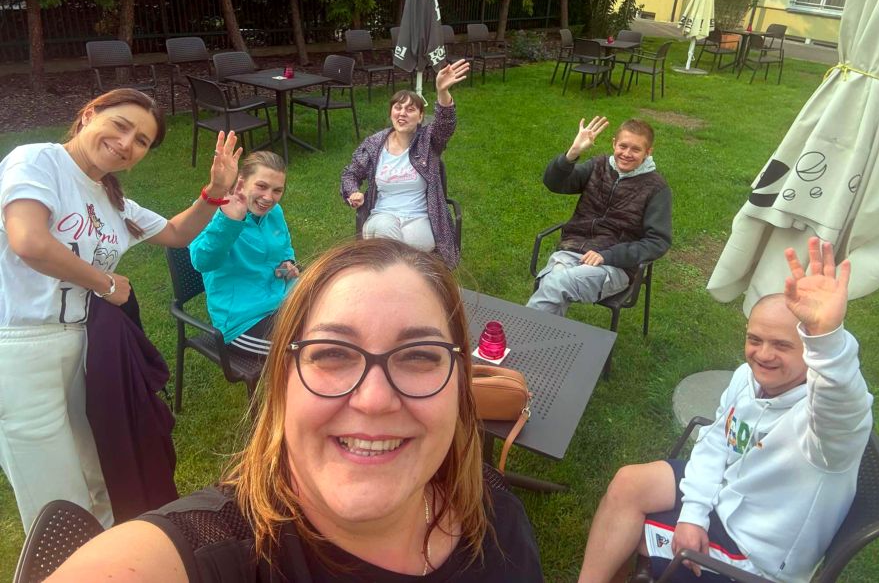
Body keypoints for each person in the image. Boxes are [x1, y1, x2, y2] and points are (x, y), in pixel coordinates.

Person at [49, 239, 545, 582]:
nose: (374, 400)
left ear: (459, 382)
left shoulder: (495, 511)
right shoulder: (205, 556)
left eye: (418, 356)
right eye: (332, 353)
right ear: (283, 383)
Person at [0, 88, 242, 531]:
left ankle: (111, 560)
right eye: (121, 125)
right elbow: (29, 241)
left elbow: (176, 233)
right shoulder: (38, 161)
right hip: (20, 348)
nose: (126, 143)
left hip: (83, 347)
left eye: (141, 141)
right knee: (56, 502)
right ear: (90, 114)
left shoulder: (113, 201)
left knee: (103, 476)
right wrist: (106, 283)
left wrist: (217, 191)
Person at [577, 238, 873, 583]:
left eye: (782, 345)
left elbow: (842, 404)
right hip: (730, 494)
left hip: (755, 554)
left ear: (811, 352)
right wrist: (693, 514)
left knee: (628, 532)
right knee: (629, 483)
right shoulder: (746, 377)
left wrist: (828, 339)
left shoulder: (826, 428)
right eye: (755, 339)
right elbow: (718, 438)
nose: (763, 355)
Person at [526, 116, 672, 316]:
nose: (626, 154)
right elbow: (554, 183)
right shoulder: (598, 166)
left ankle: (518, 333)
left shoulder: (656, 188)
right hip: (572, 251)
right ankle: (541, 334)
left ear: (648, 152)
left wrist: (608, 255)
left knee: (556, 283)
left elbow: (658, 242)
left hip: (614, 265)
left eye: (636, 149)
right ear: (614, 144)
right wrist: (572, 153)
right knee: (553, 282)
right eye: (623, 146)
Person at [341, 59, 470, 269]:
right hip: (382, 215)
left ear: (420, 117)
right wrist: (353, 192)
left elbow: (445, 125)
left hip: (419, 219)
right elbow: (350, 173)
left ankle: (391, 280)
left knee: (405, 246)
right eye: (398, 107)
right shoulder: (374, 144)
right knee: (387, 233)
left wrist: (442, 92)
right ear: (391, 113)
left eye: (410, 109)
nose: (402, 113)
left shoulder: (428, 142)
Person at [189, 151, 298, 360]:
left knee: (333, 323)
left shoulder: (274, 212)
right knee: (308, 350)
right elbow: (202, 261)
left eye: (277, 190)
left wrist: (287, 263)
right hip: (242, 320)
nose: (269, 198)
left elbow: (285, 248)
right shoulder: (211, 210)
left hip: (281, 298)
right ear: (242, 181)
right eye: (261, 186)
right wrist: (229, 222)